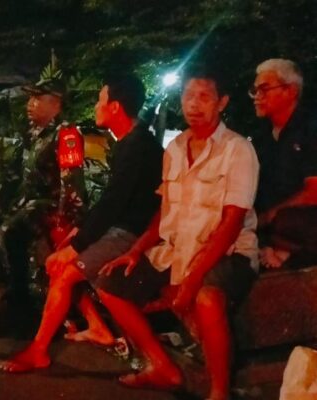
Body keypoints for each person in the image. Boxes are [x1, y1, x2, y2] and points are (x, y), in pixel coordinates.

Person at [98, 67, 259, 400]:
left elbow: (231, 224)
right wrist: (136, 250)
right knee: (109, 283)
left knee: (206, 299)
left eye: (204, 96)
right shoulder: (174, 148)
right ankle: (161, 367)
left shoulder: (237, 150)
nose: (194, 104)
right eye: (188, 96)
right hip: (176, 249)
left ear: (222, 102)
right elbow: (165, 210)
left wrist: (190, 282)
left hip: (227, 252)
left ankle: (219, 392)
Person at [0, 74, 164, 372]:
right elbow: (111, 200)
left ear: (114, 107)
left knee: (60, 267)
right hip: (111, 225)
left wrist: (77, 241)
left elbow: (100, 198)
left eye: (100, 101)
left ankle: (39, 349)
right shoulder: (128, 142)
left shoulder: (129, 144)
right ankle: (94, 325)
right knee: (49, 256)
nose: (31, 104)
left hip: (121, 230)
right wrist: (79, 233)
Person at [0, 71, 86, 309]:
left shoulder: (66, 134)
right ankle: (16, 286)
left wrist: (68, 219)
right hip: (30, 202)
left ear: (56, 104)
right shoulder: (32, 133)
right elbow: (14, 174)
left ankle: (21, 295)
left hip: (51, 206)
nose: (30, 104)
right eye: (30, 98)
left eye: (37, 98)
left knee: (10, 231)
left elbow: (71, 183)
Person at [249, 58, 317, 269]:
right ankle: (275, 248)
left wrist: (269, 216)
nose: (257, 97)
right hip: (272, 224)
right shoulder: (261, 138)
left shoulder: (310, 129)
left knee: (286, 220)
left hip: (301, 220)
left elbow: (314, 191)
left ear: (291, 91)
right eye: (255, 90)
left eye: (264, 89)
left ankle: (284, 251)